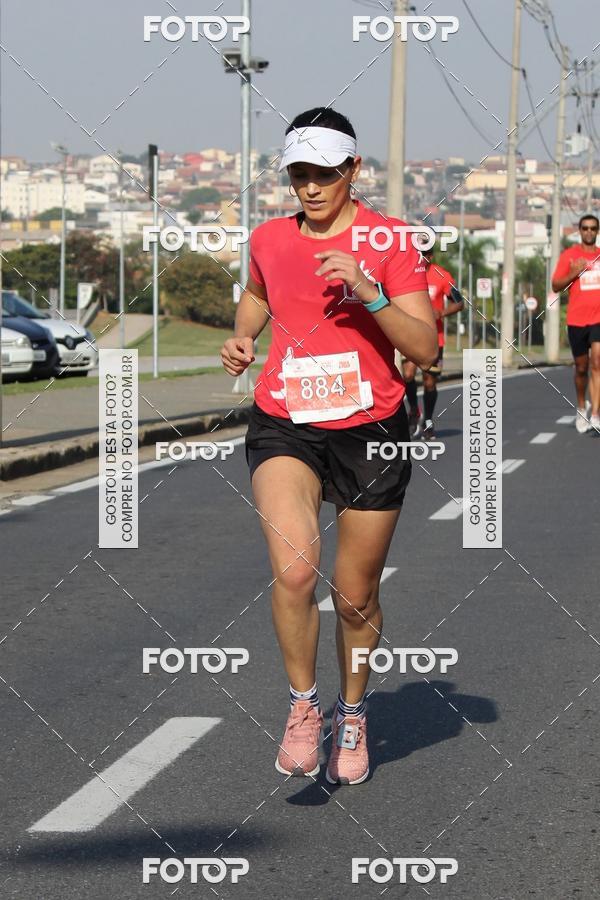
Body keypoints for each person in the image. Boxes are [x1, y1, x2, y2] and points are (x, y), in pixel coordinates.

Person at [221, 107, 437, 785]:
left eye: (323, 173)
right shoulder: (269, 237)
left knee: (353, 595)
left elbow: (426, 347)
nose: (309, 188)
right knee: (292, 572)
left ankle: (353, 712)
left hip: (371, 427)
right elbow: (260, 294)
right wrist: (243, 337)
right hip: (285, 420)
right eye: (298, 175)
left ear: (353, 170)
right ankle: (304, 708)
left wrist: (370, 293)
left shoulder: (392, 239)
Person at [403, 248, 464, 440]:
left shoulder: (442, 275)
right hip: (410, 335)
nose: (419, 258)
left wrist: (442, 313)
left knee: (430, 382)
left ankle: (428, 421)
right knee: (407, 374)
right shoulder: (405, 272)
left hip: (434, 338)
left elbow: (459, 302)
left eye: (423, 255)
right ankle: (413, 410)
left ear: (430, 257)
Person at [552, 214, 600, 434]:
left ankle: (597, 414)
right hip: (576, 319)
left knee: (597, 362)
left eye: (593, 228)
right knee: (581, 368)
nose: (589, 232)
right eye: (585, 228)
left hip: (598, 318)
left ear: (597, 231)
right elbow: (555, 285)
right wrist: (574, 272)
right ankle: (582, 407)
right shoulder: (569, 256)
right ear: (579, 231)